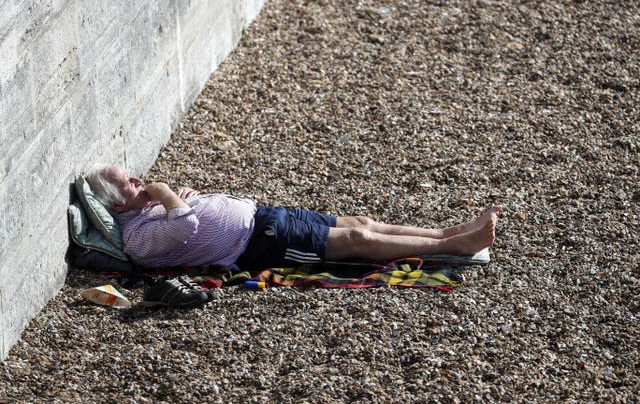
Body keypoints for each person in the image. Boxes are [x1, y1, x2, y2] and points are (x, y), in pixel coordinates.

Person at [85, 165, 501, 275]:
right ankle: (454, 247)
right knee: (358, 238)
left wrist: (184, 197)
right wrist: (169, 194)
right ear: (117, 207)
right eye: (130, 184)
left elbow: (185, 214)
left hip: (264, 216)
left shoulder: (141, 212)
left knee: (362, 220)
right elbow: (185, 227)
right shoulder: (136, 237)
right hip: (258, 243)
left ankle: (447, 232)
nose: (140, 181)